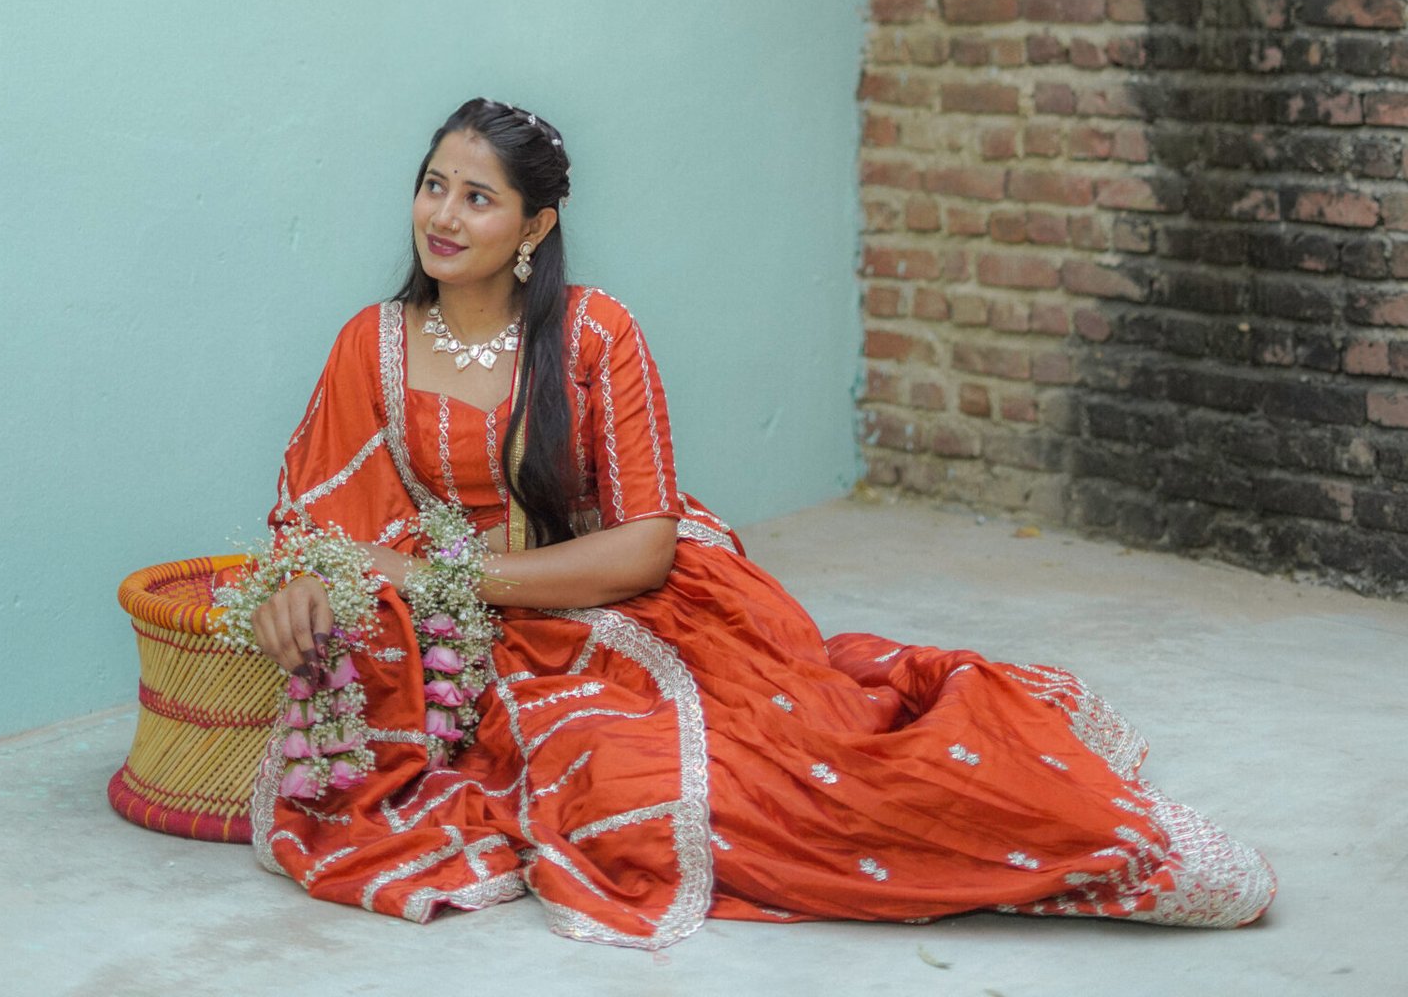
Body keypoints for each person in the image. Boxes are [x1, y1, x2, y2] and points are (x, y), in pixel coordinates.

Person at [248, 97, 1274, 949]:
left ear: (534, 228)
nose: (443, 215)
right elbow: (321, 521)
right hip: (471, 644)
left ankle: (1098, 844)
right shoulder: (373, 343)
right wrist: (308, 583)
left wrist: (447, 578)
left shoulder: (596, 335)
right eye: (433, 185)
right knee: (603, 782)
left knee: (778, 769)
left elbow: (644, 545)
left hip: (631, 606)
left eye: (478, 197)